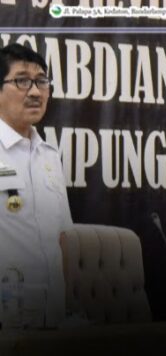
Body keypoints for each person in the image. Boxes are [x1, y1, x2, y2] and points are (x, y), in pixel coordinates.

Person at [0, 43, 72, 327]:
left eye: (41, 81)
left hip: (53, 321)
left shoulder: (50, 156)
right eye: (22, 81)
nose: (35, 92)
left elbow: (63, 238)